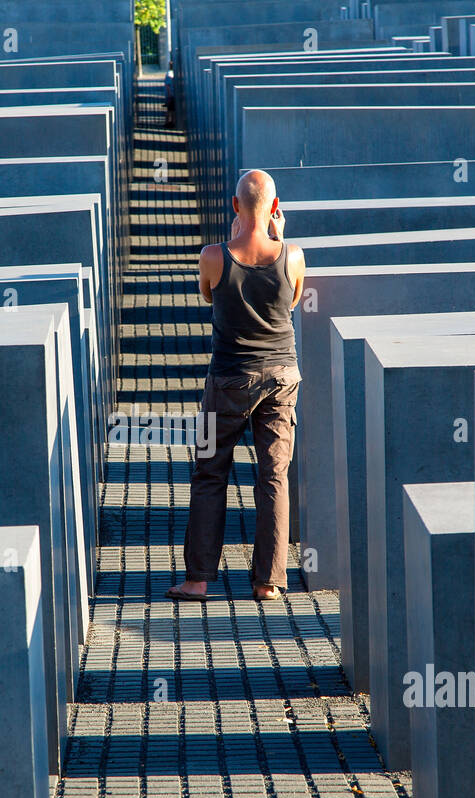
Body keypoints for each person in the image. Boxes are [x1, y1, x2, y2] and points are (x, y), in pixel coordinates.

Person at [168, 169, 306, 602]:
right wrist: (277, 236)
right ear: (276, 207)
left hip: (227, 378)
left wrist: (236, 242)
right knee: (274, 476)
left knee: (209, 473)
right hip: (281, 377)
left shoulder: (212, 255)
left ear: (234, 207)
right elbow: (294, 299)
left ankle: (198, 580)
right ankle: (268, 581)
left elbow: (209, 295)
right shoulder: (294, 255)